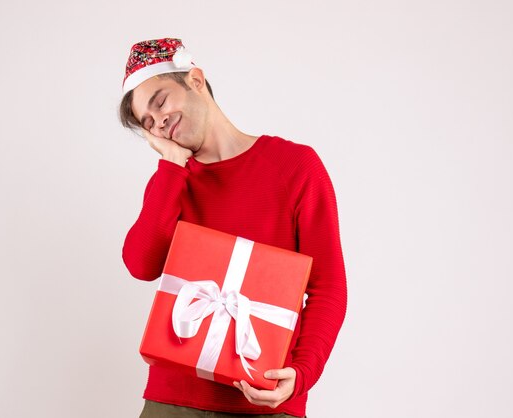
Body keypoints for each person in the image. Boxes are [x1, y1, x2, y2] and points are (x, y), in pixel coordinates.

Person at [119, 38, 347, 418]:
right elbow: (141, 264)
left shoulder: (295, 166)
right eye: (147, 121)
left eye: (159, 102)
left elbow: (328, 288)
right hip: (173, 402)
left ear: (195, 80)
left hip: (266, 400)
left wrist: (303, 372)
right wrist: (173, 165)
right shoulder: (172, 181)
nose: (158, 121)